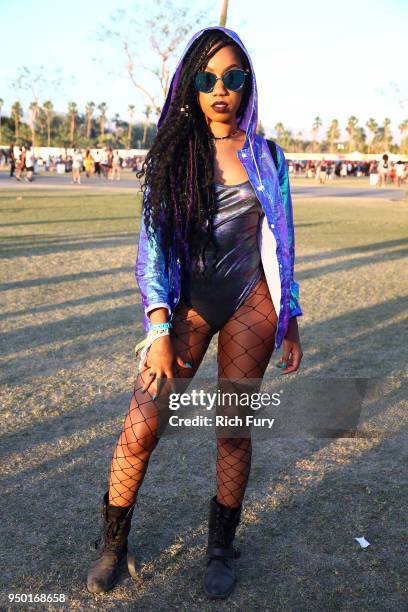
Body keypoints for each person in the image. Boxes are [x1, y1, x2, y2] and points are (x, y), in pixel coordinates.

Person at [86, 25, 303, 600]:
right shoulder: (173, 154)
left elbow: (282, 241)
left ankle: (221, 548)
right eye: (208, 79)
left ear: (247, 84)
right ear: (191, 86)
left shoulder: (268, 156)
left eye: (233, 77)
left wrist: (291, 317)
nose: (220, 90)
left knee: (232, 431)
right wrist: (159, 327)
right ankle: (113, 545)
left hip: (249, 302)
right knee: (141, 424)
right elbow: (151, 246)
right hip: (186, 304)